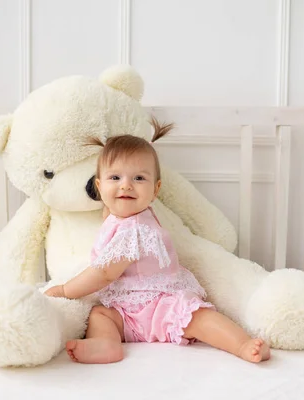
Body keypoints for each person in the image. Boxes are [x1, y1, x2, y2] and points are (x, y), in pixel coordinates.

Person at [45, 125, 270, 365]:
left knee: (199, 318)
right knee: (100, 315)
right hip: (124, 310)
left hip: (162, 305)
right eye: (115, 178)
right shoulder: (117, 217)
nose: (126, 185)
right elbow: (111, 219)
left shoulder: (135, 230)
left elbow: (103, 273)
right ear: (100, 187)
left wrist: (65, 290)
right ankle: (106, 344)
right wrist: (108, 208)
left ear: (155, 190)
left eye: (139, 178)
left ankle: (243, 344)